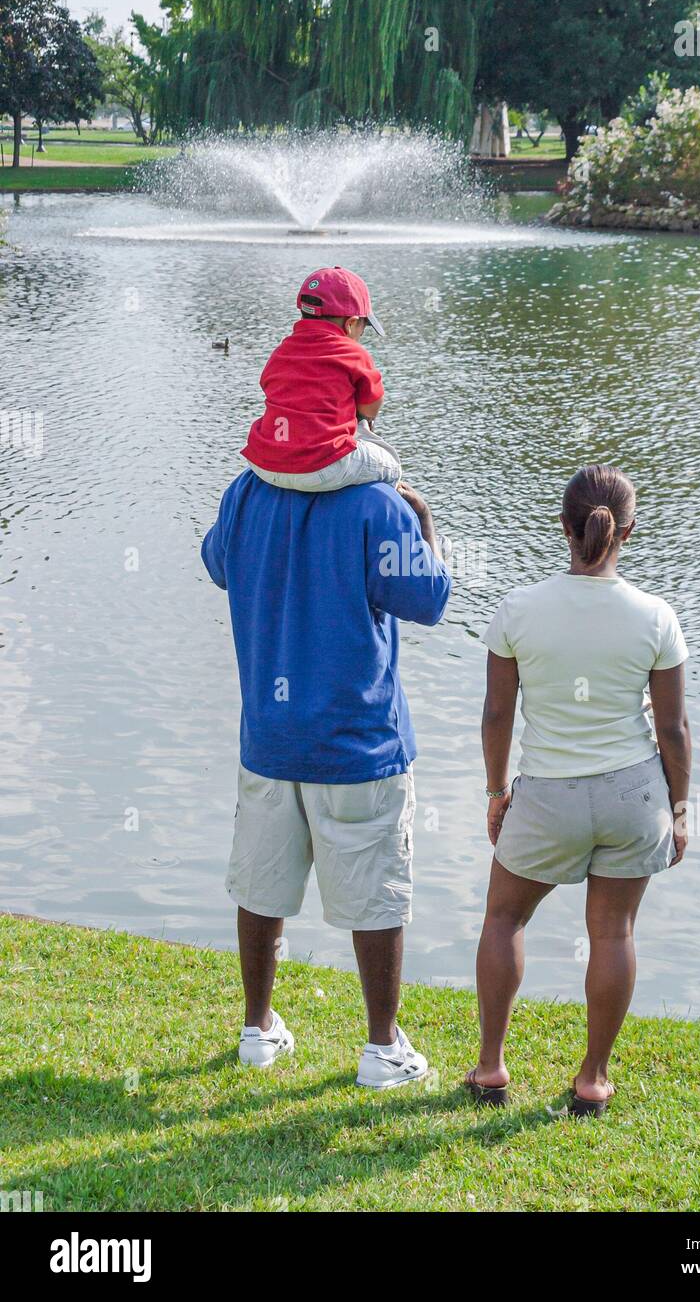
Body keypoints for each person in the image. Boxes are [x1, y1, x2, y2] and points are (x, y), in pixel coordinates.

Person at [201, 425, 451, 1085]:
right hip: (359, 743)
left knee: (261, 885)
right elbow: (429, 599)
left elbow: (218, 564)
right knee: (377, 897)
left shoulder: (245, 493)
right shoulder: (379, 505)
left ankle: (258, 1029)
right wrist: (425, 523)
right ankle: (381, 1047)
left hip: (271, 739)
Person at [467, 464, 691, 1115]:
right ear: (630, 530)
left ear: (563, 527)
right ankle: (592, 1080)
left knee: (504, 917)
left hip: (548, 795)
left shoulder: (518, 609)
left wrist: (495, 790)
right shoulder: (656, 615)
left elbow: (496, 715)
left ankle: (490, 1071)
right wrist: (678, 809)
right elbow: (673, 730)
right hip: (632, 796)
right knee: (614, 934)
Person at [241, 265, 402, 492]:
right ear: (351, 323)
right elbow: (370, 408)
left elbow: (271, 387)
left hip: (263, 464)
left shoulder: (281, 351)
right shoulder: (353, 353)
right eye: (363, 328)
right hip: (321, 468)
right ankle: (384, 512)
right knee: (391, 464)